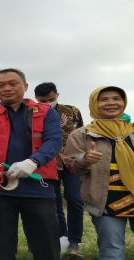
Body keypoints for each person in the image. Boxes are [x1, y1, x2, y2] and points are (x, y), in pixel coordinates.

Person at [0, 68, 62, 260]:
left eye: (13, 83)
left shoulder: (46, 112)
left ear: (25, 86)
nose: (7, 88)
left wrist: (33, 161)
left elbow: (54, 141)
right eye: (0, 85)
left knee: (46, 247)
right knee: (3, 247)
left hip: (39, 188)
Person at [62, 86, 134, 260]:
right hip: (105, 202)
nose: (111, 103)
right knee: (112, 250)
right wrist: (84, 159)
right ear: (94, 103)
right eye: (104, 99)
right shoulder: (82, 134)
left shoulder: (132, 131)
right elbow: (73, 166)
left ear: (123, 102)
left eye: (116, 98)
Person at [34, 82, 84, 255]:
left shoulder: (73, 111)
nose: (48, 102)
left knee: (75, 199)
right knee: (53, 204)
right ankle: (60, 238)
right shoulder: (32, 113)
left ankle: (75, 241)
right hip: (47, 163)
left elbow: (81, 135)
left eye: (51, 99)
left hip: (72, 163)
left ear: (57, 94)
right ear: (36, 99)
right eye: (43, 100)